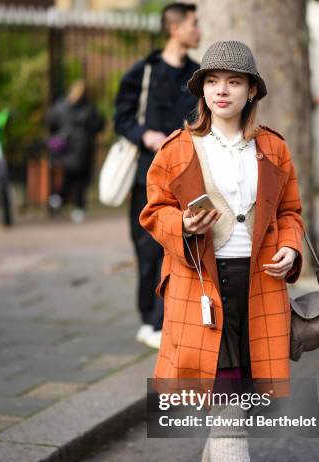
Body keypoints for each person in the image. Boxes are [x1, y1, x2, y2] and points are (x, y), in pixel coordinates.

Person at [140, 41, 304, 462]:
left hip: (258, 289)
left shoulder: (274, 150)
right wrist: (179, 226)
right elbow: (154, 210)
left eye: (234, 81)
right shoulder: (178, 148)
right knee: (226, 408)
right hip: (199, 290)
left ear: (252, 89)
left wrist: (291, 248)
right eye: (213, 81)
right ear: (202, 90)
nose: (222, 90)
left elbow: (289, 213)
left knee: (237, 401)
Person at [114, 2, 200, 350]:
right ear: (175, 28)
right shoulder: (143, 71)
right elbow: (121, 118)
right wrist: (145, 135)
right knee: (148, 250)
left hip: (188, 178)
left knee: (183, 249)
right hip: (145, 178)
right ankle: (150, 321)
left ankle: (174, 318)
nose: (199, 31)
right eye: (194, 24)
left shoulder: (198, 75)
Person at [46, 80, 105, 223]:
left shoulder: (61, 106)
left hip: (66, 148)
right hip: (83, 148)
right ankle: (77, 207)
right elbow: (99, 124)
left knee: (69, 177)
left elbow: (49, 121)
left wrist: (59, 133)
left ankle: (58, 197)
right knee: (80, 181)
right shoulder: (90, 108)